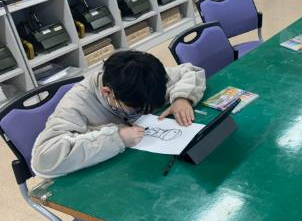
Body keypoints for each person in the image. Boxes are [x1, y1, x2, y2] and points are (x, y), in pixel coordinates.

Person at [32, 50, 206, 178]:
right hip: (107, 178)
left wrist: (182, 97)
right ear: (108, 93)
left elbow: (190, 72)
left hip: (139, 164)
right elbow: (43, 160)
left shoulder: (144, 76)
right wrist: (116, 138)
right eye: (135, 109)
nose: (141, 113)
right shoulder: (76, 103)